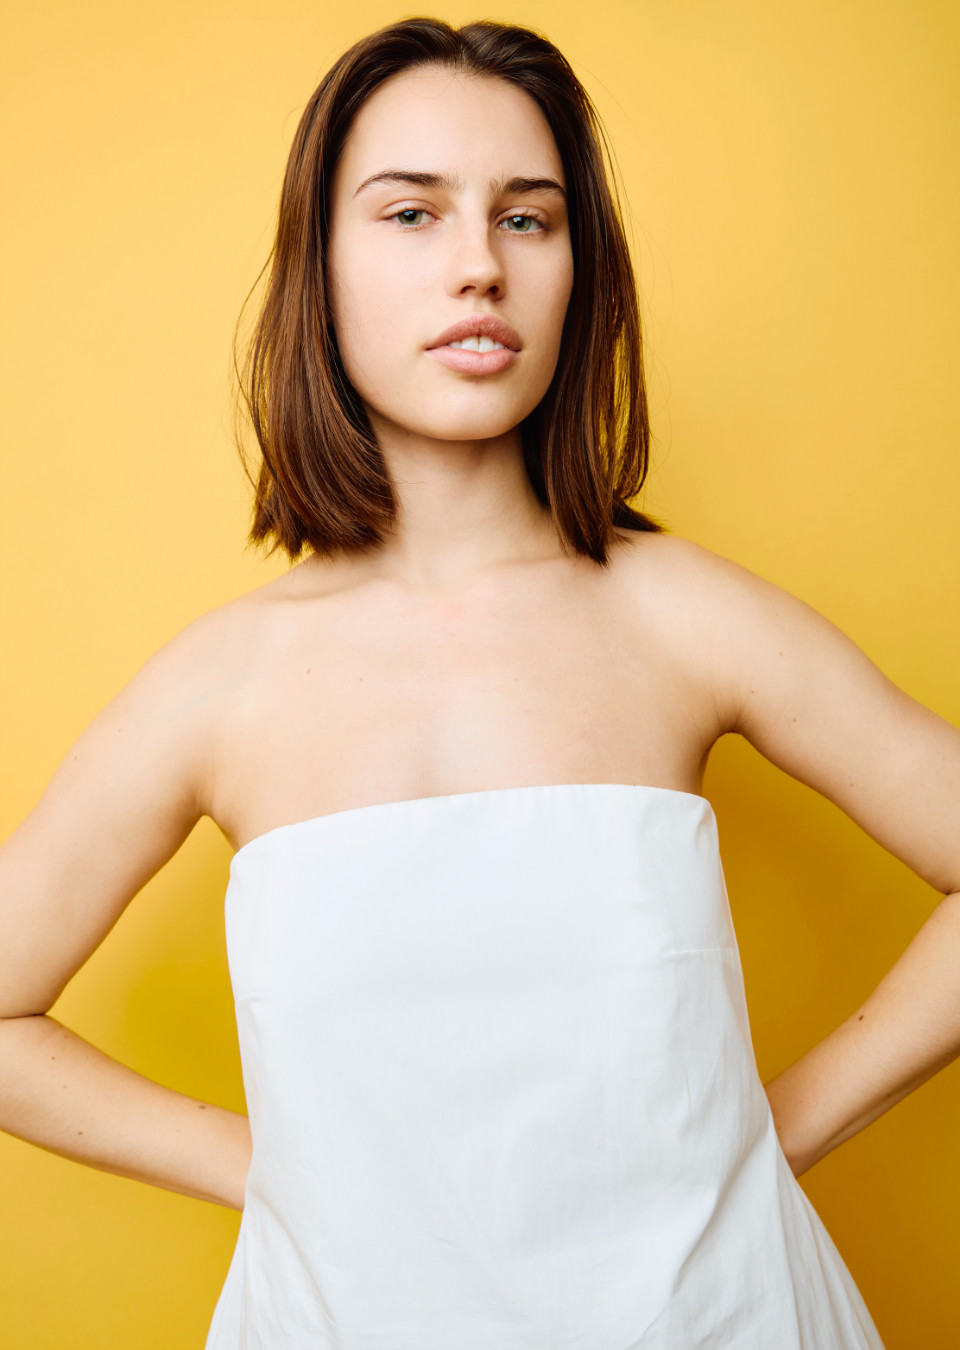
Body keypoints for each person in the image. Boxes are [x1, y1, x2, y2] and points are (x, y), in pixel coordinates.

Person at [0, 15, 957, 1349]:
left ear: (577, 269)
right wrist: (267, 1167)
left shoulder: (686, 616)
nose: (478, 266)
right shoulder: (220, 684)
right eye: (411, 213)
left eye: (527, 218)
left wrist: (770, 1133)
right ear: (320, 269)